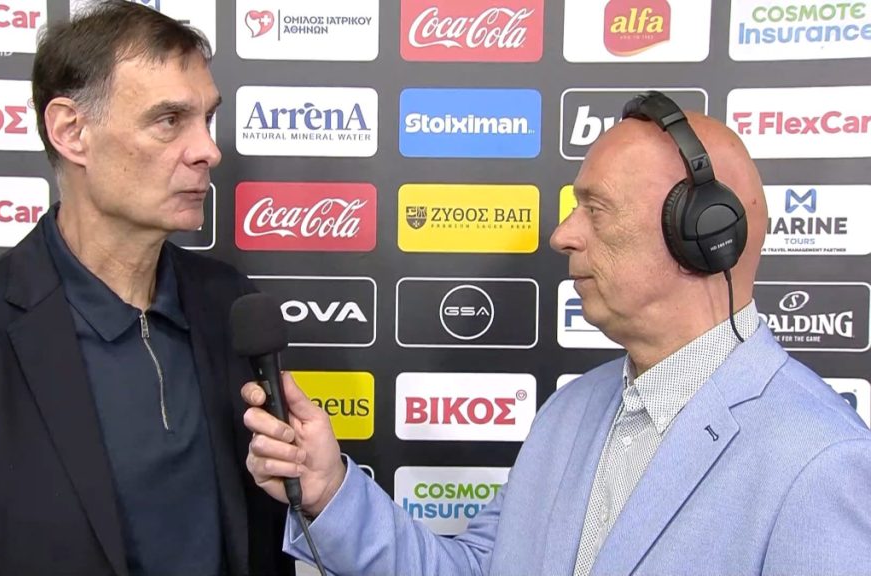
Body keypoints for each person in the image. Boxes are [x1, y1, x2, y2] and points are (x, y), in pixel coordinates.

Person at [241, 93, 871, 576]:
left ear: (702, 233)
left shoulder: (822, 461)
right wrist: (330, 492)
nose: (563, 234)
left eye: (595, 209)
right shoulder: (571, 411)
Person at [0, 2, 291, 575]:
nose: (208, 149)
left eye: (207, 118)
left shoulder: (228, 303)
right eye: (169, 120)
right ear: (71, 132)